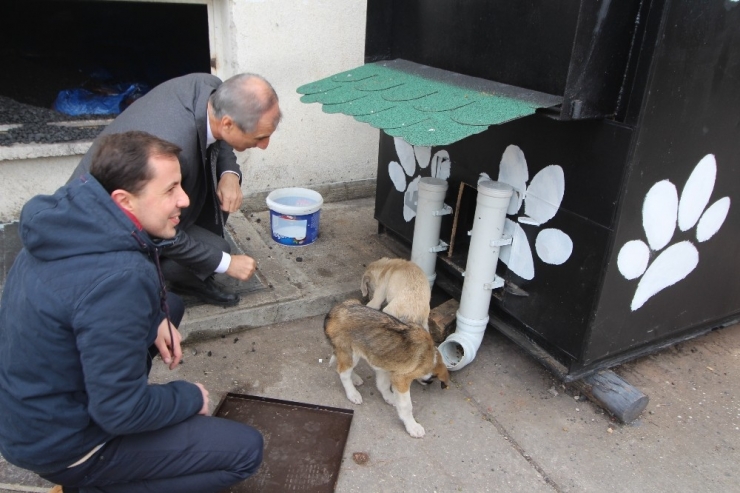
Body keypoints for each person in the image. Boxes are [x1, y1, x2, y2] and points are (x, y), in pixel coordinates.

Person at [0, 131, 263, 493]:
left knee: (170, 307)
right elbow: (119, 411)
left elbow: (93, 302)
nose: (184, 200)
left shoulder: (65, 228)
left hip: (24, 415)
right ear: (124, 200)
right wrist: (189, 397)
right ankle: (94, 483)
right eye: (170, 189)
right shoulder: (117, 278)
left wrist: (155, 318)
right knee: (246, 451)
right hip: (65, 445)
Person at [67, 72, 282, 306]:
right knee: (216, 252)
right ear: (229, 124)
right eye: (261, 137)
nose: (264, 145)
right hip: (101, 230)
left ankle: (176, 273)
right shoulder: (170, 152)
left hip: (139, 199)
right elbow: (155, 229)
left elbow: (220, 133)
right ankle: (151, 279)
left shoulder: (210, 89)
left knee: (214, 242)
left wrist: (229, 173)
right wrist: (225, 264)